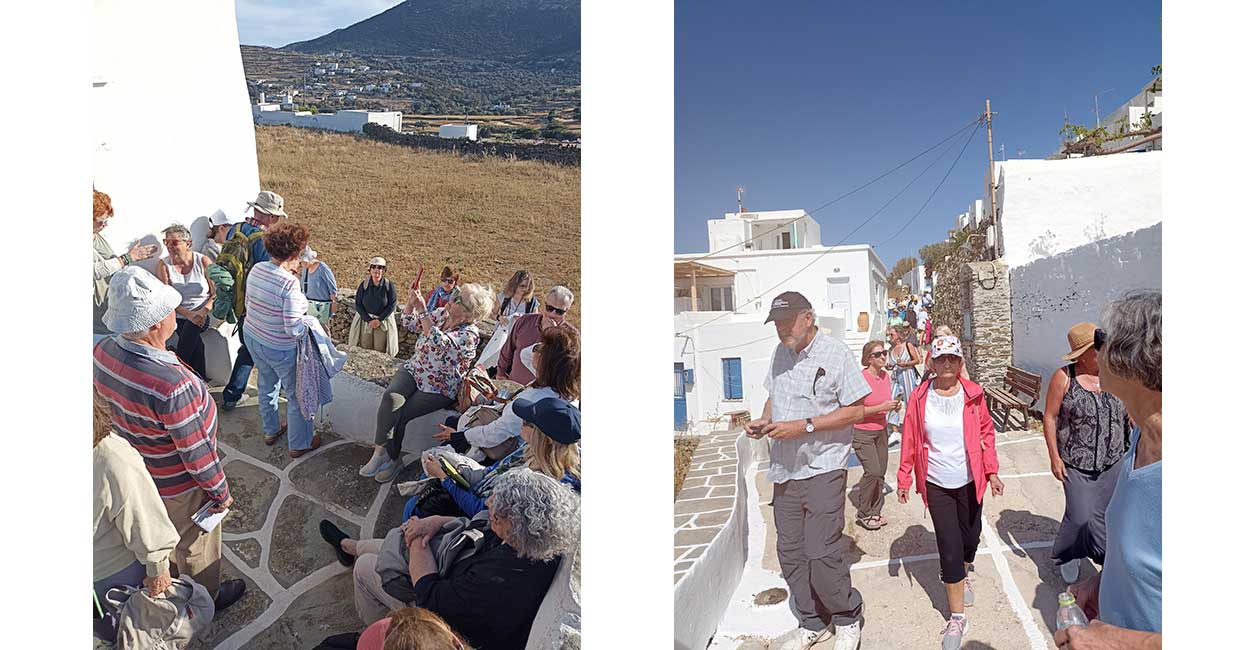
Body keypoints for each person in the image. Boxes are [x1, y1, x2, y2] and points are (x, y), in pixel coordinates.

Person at [93, 266, 246, 609]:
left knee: (161, 538)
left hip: (142, 474)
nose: (175, 314)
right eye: (168, 310)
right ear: (154, 324)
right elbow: (196, 452)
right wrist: (220, 493)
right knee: (195, 546)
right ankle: (203, 601)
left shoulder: (101, 351)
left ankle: (170, 580)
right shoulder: (173, 385)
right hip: (178, 485)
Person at [743, 291, 879, 650]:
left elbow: (855, 411)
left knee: (821, 551)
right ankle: (811, 620)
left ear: (808, 318)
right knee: (790, 553)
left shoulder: (836, 353)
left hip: (824, 466)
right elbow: (775, 394)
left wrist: (802, 426)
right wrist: (766, 420)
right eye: (776, 324)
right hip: (785, 470)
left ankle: (847, 616)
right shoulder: (780, 353)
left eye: (787, 322)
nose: (781, 330)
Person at [322, 468, 577, 650]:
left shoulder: (499, 581)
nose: (488, 503)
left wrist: (417, 539)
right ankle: (349, 546)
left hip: (445, 620)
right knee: (384, 547)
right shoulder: (536, 541)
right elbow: (478, 523)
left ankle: (382, 636)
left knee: (366, 569)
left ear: (514, 526)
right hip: (455, 577)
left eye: (496, 511)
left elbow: (429, 596)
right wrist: (434, 522)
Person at [1056, 291, 1162, 650]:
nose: (1096, 351)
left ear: (1135, 361)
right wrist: (1103, 583)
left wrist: (1122, 642)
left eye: (1103, 339)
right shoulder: (1140, 439)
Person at [896, 335, 1004, 650]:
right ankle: (957, 617)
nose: (946, 364)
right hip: (936, 482)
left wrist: (992, 470)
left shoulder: (974, 394)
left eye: (952, 359)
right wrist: (904, 477)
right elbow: (910, 439)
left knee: (971, 538)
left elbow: (986, 430)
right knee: (950, 548)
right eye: (941, 358)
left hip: (971, 480)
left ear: (960, 362)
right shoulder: (919, 398)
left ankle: (963, 572)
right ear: (931, 361)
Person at [359, 278, 494, 483]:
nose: (452, 297)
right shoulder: (442, 313)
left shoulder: (469, 335)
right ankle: (380, 453)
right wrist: (413, 303)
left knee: (401, 415)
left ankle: (394, 460)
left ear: (468, 314)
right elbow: (409, 323)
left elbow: (437, 341)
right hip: (415, 368)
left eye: (458, 298)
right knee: (390, 399)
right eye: (455, 293)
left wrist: (422, 310)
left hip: (439, 385)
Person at [1042, 322, 1130, 585]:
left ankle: (1104, 560)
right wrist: (1054, 457)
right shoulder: (1064, 377)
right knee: (1081, 514)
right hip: (1076, 461)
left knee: (1104, 515)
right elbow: (1049, 416)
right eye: (1097, 350)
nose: (1103, 354)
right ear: (1081, 353)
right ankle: (1070, 552)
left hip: (1113, 459)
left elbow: (1129, 411)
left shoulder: (1114, 373)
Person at [93, 389, 180, 645]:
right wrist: (158, 571)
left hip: (106, 576)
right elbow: (145, 520)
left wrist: (157, 567)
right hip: (118, 575)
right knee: (144, 635)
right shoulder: (111, 458)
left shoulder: (111, 458)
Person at [421, 395, 582, 518]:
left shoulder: (533, 485)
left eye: (526, 421)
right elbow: (495, 469)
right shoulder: (530, 449)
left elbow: (481, 510)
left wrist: (444, 479)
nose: (521, 422)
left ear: (541, 437)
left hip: (481, 516)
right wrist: (461, 472)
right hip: (484, 489)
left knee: (417, 508)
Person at [243, 221, 324, 457]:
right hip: (279, 347)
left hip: (253, 337)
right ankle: (299, 444)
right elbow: (293, 329)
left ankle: (271, 430)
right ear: (294, 253)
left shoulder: (257, 268)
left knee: (266, 384)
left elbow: (251, 303)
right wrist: (309, 324)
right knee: (298, 395)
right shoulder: (289, 283)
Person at [436, 326, 581, 456]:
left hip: (503, 450)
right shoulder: (566, 390)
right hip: (524, 446)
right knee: (453, 422)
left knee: (446, 440)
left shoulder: (534, 399)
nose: (534, 350)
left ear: (546, 362)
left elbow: (494, 434)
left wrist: (459, 436)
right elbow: (525, 356)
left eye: (539, 348)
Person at [221, 190, 288, 411]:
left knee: (247, 348)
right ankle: (234, 395)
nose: (277, 221)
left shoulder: (236, 228)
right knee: (254, 350)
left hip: (236, 301)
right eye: (276, 217)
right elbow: (266, 274)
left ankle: (233, 394)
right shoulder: (262, 240)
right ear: (269, 217)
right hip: (254, 305)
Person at [94, 189, 159, 341]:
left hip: (110, 313)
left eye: (107, 220)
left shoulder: (97, 236)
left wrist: (127, 259)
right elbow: (95, 270)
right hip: (96, 322)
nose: (105, 224)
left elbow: (107, 263)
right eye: (101, 220)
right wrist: (128, 258)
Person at [155, 224, 215, 380]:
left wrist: (202, 312)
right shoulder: (164, 265)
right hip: (179, 316)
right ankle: (199, 380)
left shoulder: (202, 261)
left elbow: (215, 294)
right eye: (166, 242)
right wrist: (189, 315)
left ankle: (177, 372)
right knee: (195, 342)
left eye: (174, 242)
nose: (169, 246)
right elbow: (166, 298)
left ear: (188, 243)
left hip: (204, 313)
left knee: (191, 330)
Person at [853, 341, 902, 531]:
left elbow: (884, 402)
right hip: (862, 431)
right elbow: (854, 411)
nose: (884, 356)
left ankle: (875, 510)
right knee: (872, 471)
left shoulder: (885, 377)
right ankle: (864, 512)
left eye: (885, 352)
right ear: (868, 359)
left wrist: (894, 406)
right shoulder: (860, 378)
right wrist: (881, 407)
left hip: (881, 430)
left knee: (880, 472)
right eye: (879, 354)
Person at [496, 285, 578, 385]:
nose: (553, 314)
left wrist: (552, 334)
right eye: (549, 308)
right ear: (544, 304)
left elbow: (570, 369)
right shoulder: (525, 321)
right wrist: (500, 373)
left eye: (559, 311)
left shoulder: (572, 336)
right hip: (515, 386)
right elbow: (508, 348)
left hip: (544, 394)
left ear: (567, 311)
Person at [348, 257, 399, 355]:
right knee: (365, 348)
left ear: (384, 270)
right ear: (370, 270)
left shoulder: (389, 285)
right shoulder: (364, 285)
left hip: (382, 323)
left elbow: (392, 304)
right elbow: (358, 304)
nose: (377, 270)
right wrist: (368, 320)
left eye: (380, 268)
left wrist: (379, 320)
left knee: (379, 349)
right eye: (374, 267)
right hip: (366, 322)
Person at [300, 245, 338, 328]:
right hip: (309, 305)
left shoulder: (322, 267)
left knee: (323, 329)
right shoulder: (305, 270)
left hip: (322, 306)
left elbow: (332, 287)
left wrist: (334, 304)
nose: (302, 264)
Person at [888, 321, 922, 409]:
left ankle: (912, 421)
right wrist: (889, 366)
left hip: (908, 375)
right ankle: (892, 421)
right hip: (895, 377)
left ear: (898, 335)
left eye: (892, 335)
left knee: (910, 402)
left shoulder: (907, 345)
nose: (890, 337)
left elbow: (917, 360)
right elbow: (892, 365)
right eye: (889, 335)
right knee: (892, 400)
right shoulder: (890, 349)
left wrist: (905, 364)